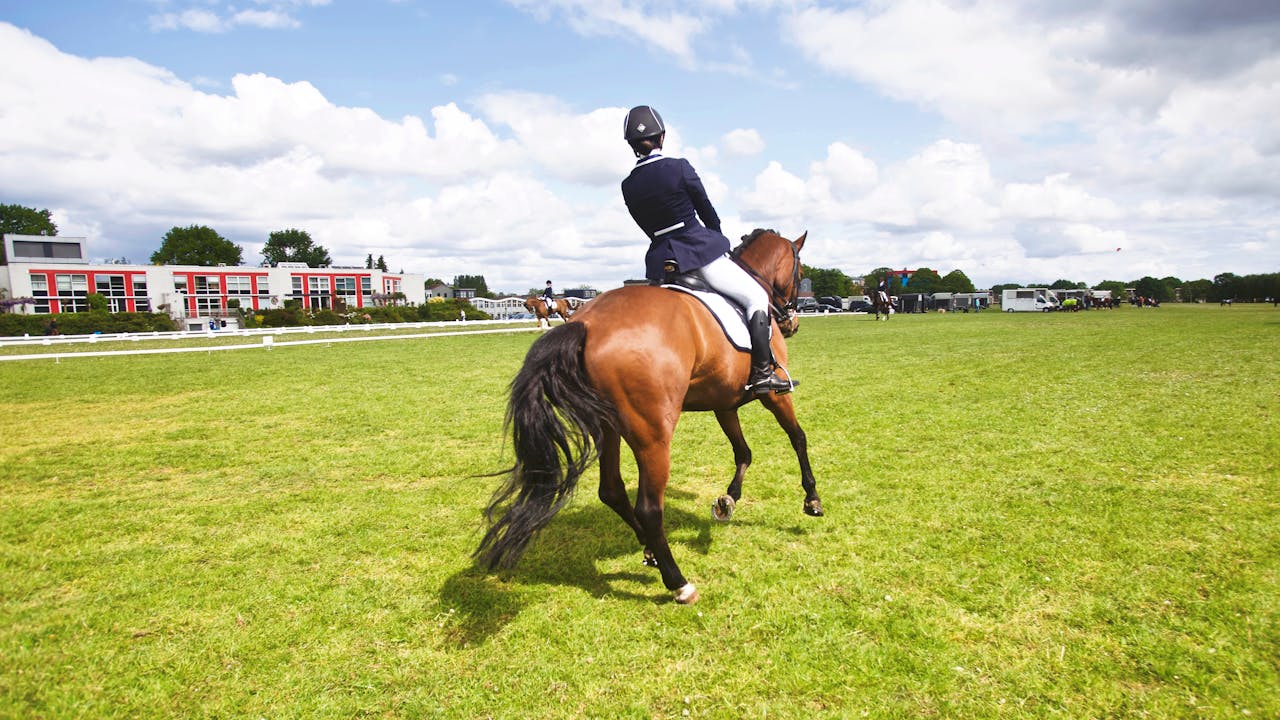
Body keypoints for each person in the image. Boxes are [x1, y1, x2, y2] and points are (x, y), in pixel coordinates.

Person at [620, 105, 793, 395]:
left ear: (632, 146)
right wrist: (716, 241)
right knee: (755, 296)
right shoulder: (680, 167)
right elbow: (707, 212)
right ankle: (763, 374)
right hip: (698, 251)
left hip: (661, 263)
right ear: (661, 137)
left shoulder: (628, 185)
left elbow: (646, 226)